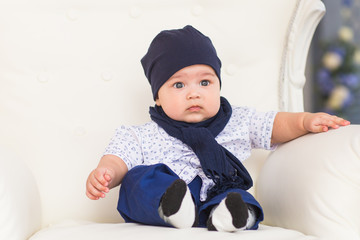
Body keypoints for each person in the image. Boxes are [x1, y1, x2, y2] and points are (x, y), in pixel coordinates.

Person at [85, 25, 350, 232]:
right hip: (166, 197)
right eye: (179, 85)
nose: (194, 94)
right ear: (158, 97)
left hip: (216, 193)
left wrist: (304, 121)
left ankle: (230, 216)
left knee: (237, 194)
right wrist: (106, 172)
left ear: (218, 85)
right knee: (137, 180)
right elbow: (119, 157)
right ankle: (172, 207)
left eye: (205, 82)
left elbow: (274, 125)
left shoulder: (237, 121)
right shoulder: (141, 135)